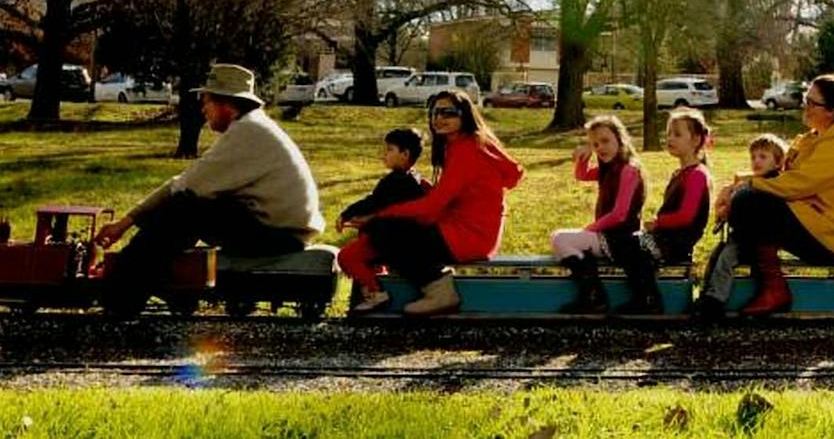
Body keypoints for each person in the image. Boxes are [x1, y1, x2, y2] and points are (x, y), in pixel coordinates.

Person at [94, 63, 324, 315]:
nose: (203, 109)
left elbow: (182, 186)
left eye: (206, 101)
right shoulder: (254, 127)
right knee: (188, 205)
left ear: (226, 103)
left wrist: (124, 224)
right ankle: (136, 289)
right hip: (282, 231)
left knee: (186, 206)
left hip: (278, 236)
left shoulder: (247, 132)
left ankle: (122, 296)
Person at [697, 73, 834, 319]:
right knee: (747, 202)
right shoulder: (816, 138)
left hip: (831, 237)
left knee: (748, 204)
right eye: (805, 99)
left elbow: (797, 184)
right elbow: (782, 177)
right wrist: (738, 183)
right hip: (813, 220)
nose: (805, 106)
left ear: (831, 110)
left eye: (812, 103)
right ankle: (725, 291)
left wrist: (746, 187)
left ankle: (768, 288)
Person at [348, 89, 523, 317]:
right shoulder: (468, 143)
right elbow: (508, 176)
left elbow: (432, 206)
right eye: (435, 112)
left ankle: (440, 292)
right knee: (392, 226)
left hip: (467, 237)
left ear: (465, 115)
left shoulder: (466, 150)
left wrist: (380, 214)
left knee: (384, 229)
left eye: (448, 112)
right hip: (472, 231)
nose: (438, 119)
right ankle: (377, 284)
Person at [614, 109, 714, 314]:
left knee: (628, 244)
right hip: (666, 237)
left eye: (677, 134)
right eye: (669, 133)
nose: (670, 138)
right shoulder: (680, 173)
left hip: (676, 242)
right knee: (622, 240)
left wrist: (658, 223)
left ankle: (649, 298)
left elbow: (686, 216)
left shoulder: (697, 175)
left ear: (696, 140)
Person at [550, 115, 645, 314]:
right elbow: (581, 175)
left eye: (605, 141)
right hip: (608, 236)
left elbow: (619, 214)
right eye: (595, 144)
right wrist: (583, 156)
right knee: (558, 237)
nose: (600, 147)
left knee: (561, 239)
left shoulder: (629, 170)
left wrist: (590, 229)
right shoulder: (608, 169)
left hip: (621, 239)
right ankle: (591, 292)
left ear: (620, 139)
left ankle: (594, 295)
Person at [335, 127, 430, 312]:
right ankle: (375, 284)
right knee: (365, 255)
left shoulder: (395, 181)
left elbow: (373, 202)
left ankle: (375, 292)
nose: (383, 154)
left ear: (405, 154)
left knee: (346, 257)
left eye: (389, 150)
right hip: (398, 239)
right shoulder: (415, 179)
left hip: (388, 240)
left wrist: (346, 213)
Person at [698, 133, 786, 314]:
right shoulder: (752, 183)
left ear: (777, 163)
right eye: (753, 157)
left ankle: (716, 299)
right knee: (716, 256)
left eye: (763, 157)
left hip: (753, 240)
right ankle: (706, 292)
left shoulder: (772, 184)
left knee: (726, 260)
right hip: (740, 235)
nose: (756, 161)